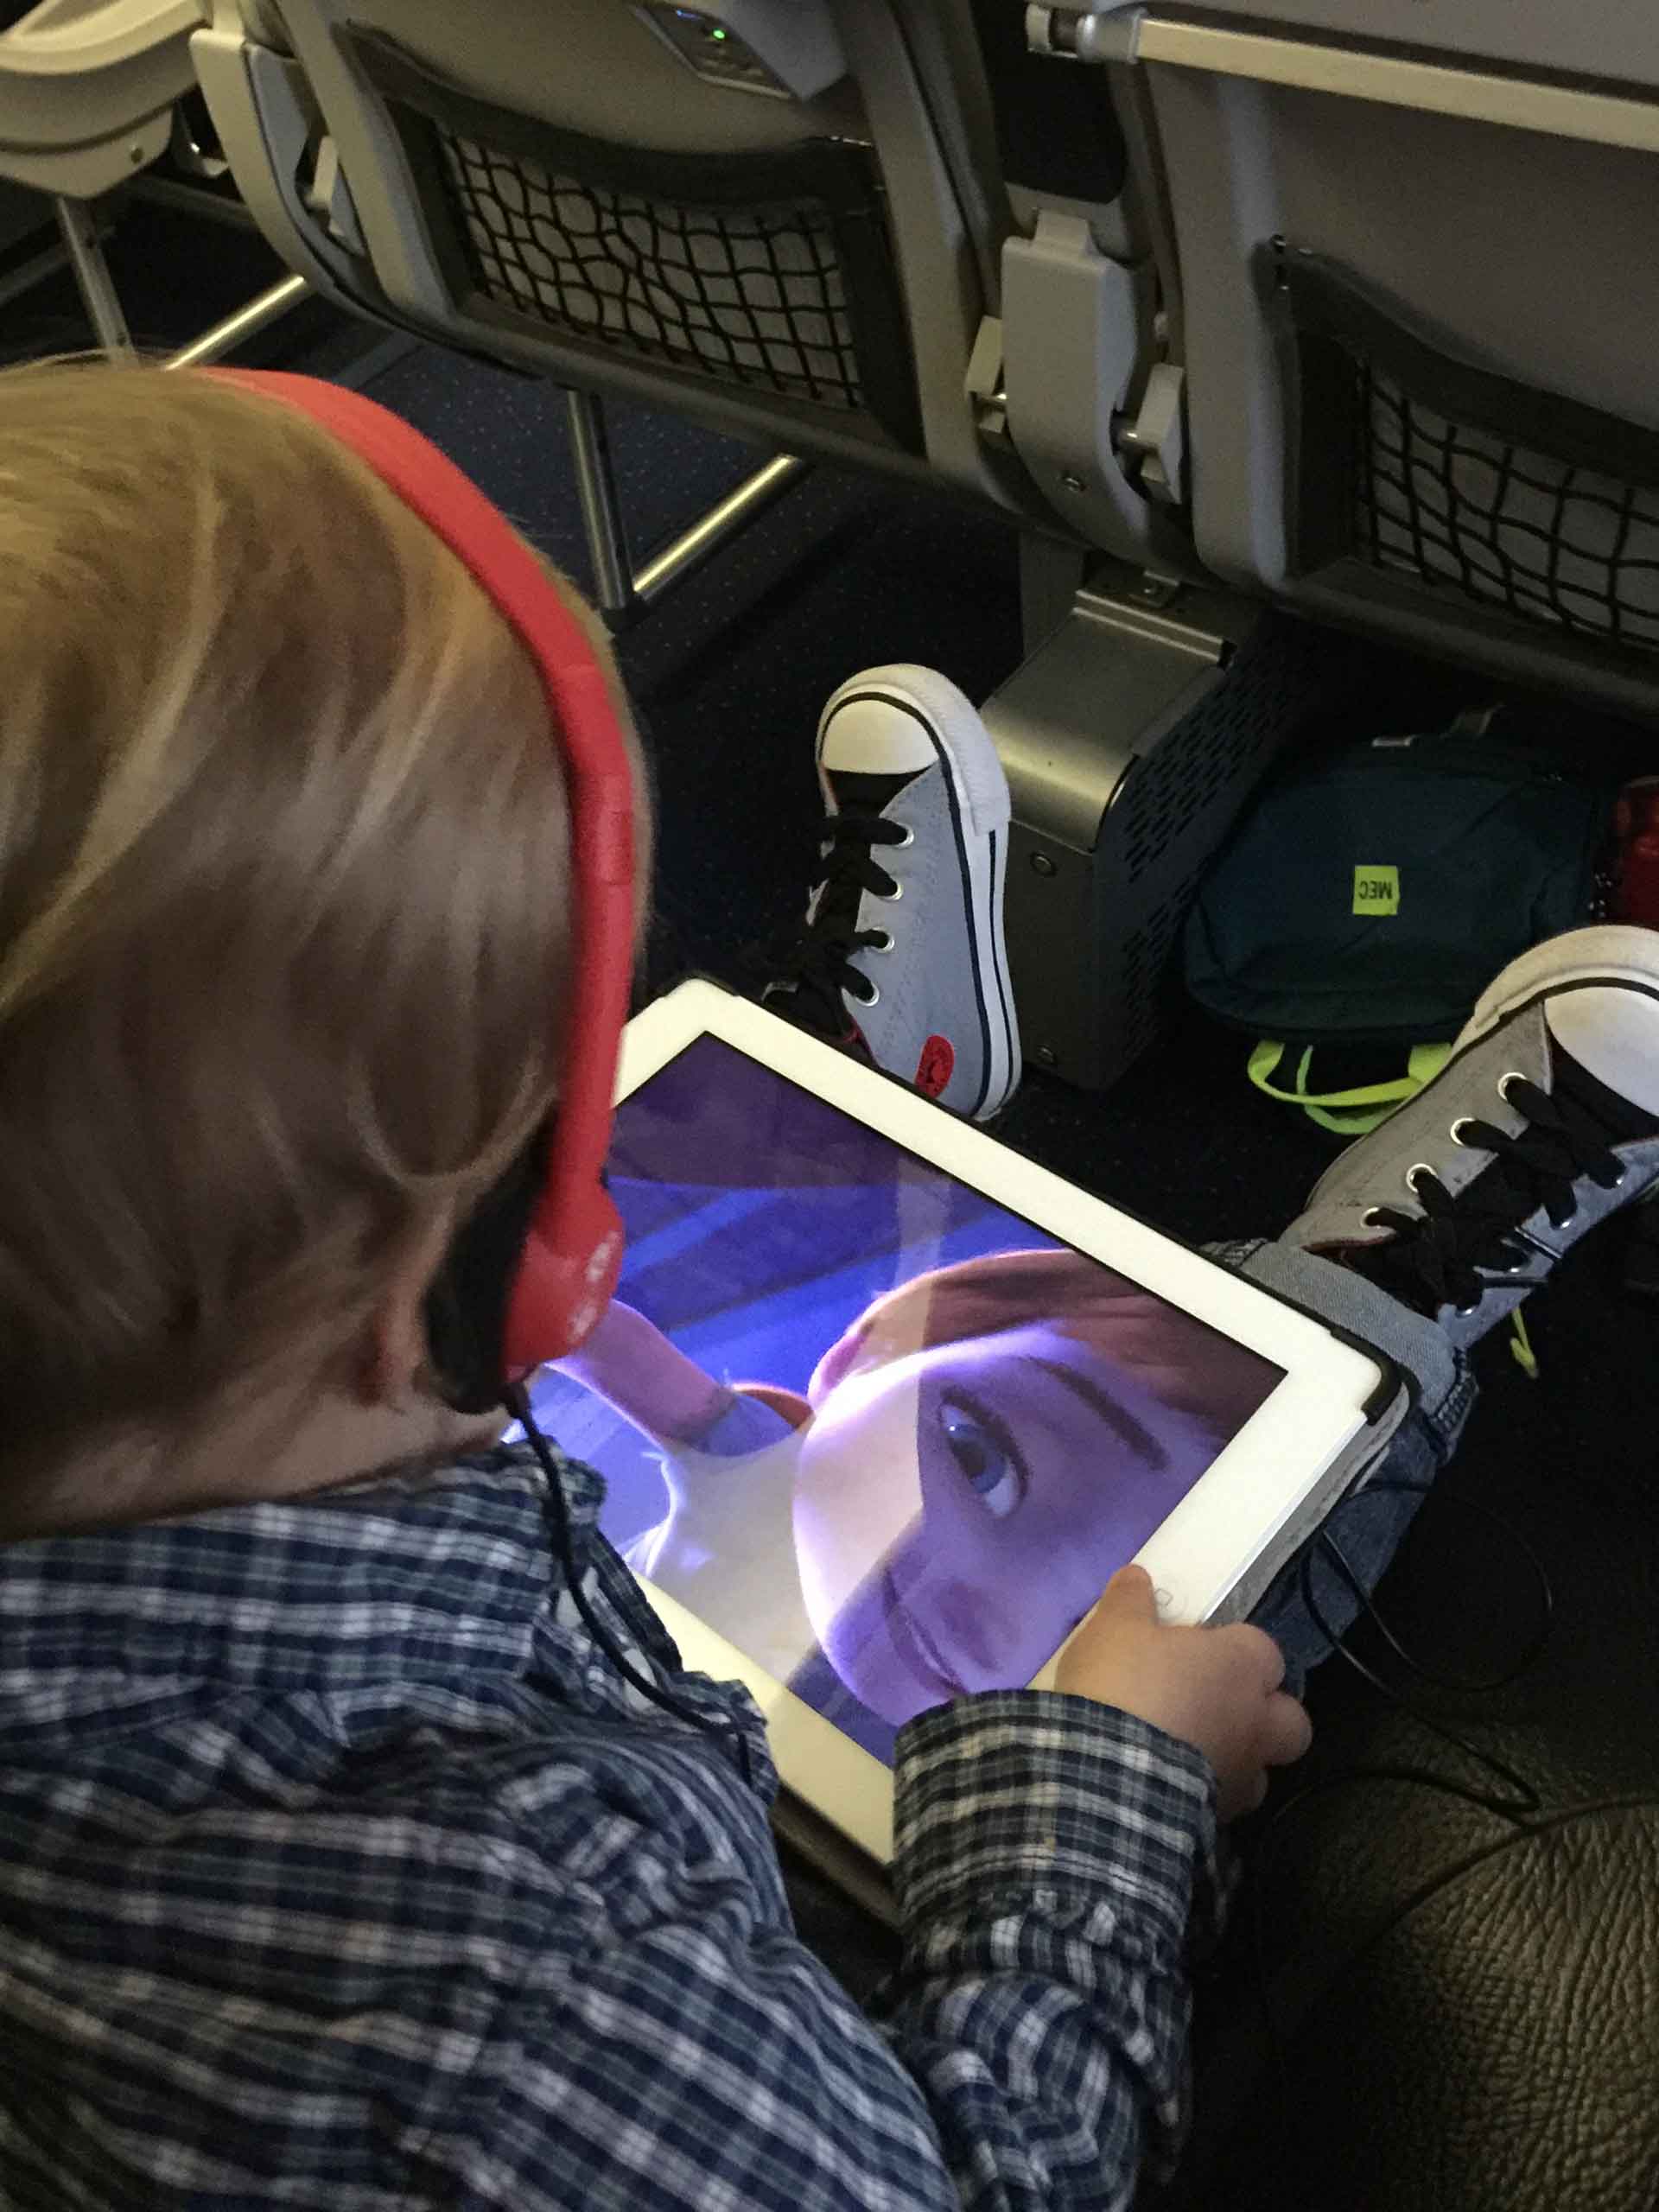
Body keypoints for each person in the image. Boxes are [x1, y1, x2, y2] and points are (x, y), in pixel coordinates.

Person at [0, 359, 1655, 2212]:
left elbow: (673, 1393)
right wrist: (1105, 1795)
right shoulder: (528, 2042)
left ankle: (872, 1071)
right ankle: (1382, 1287)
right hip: (887, 1946)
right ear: (492, 1274)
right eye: (568, 1114)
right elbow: (984, 2183)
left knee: (860, 1193)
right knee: (1266, 1456)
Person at [556, 1249, 1280, 1728]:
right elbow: (592, 1340)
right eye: (976, 1457)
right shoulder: (757, 1469)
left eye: (1086, 1634)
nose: (989, 1622)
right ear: (874, 1349)